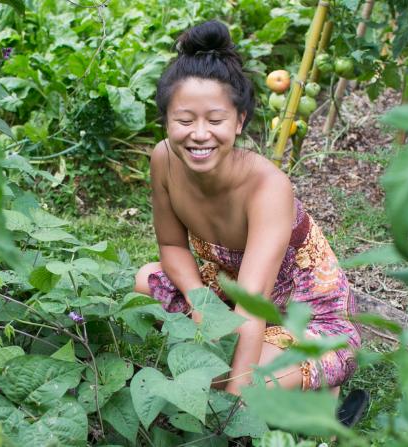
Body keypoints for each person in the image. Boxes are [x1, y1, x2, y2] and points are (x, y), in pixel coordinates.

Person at [134, 20, 361, 397]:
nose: (200, 134)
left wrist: (231, 401)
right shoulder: (164, 160)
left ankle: (317, 392)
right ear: (167, 121)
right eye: (185, 120)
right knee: (146, 282)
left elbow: (253, 309)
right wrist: (200, 301)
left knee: (220, 377)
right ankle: (290, 387)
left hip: (305, 319)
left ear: (239, 121)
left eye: (216, 120)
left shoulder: (268, 188)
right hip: (227, 297)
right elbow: (172, 248)